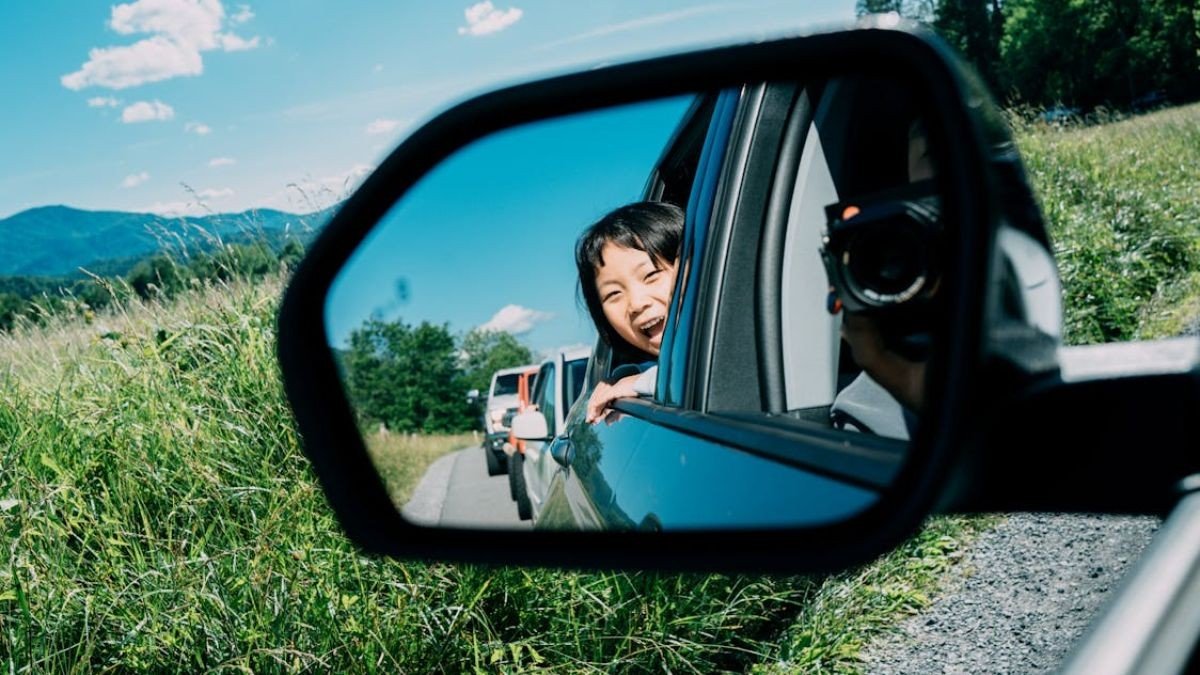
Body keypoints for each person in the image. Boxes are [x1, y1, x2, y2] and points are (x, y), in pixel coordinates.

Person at [574, 201, 683, 423]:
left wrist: (638, 383)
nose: (636, 304)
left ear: (689, 267)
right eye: (613, 294)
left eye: (651, 275)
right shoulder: (632, 373)